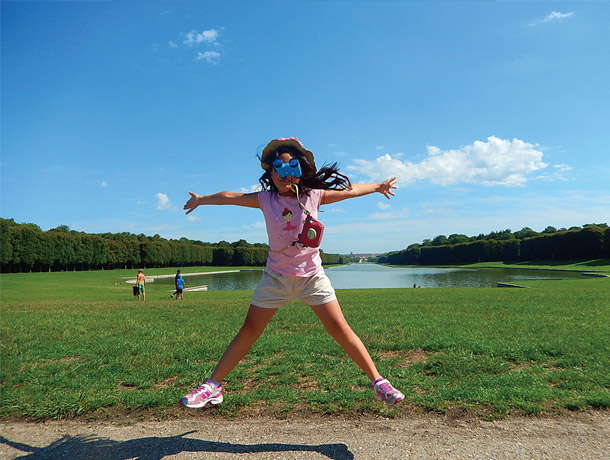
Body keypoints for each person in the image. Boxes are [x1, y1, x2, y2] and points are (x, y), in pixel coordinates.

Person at [180, 137, 404, 409]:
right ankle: (212, 386)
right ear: (270, 173)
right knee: (249, 331)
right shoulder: (265, 199)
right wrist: (202, 199)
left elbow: (351, 189)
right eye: (279, 167)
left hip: (312, 278)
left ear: (301, 170)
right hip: (276, 278)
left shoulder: (314, 195)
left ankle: (379, 382)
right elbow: (231, 197)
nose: (285, 174)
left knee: (340, 329)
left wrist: (378, 186)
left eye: (292, 167)